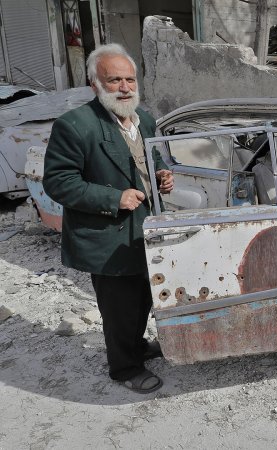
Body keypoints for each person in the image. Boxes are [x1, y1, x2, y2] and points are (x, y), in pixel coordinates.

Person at [43, 43, 174, 394]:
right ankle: (124, 367)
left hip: (146, 227)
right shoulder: (75, 125)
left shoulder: (144, 118)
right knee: (119, 306)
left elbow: (152, 159)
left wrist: (162, 175)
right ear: (94, 85)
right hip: (107, 234)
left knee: (146, 293)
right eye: (114, 80)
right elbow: (58, 182)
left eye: (129, 79)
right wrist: (113, 197)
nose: (125, 87)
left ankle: (137, 346)